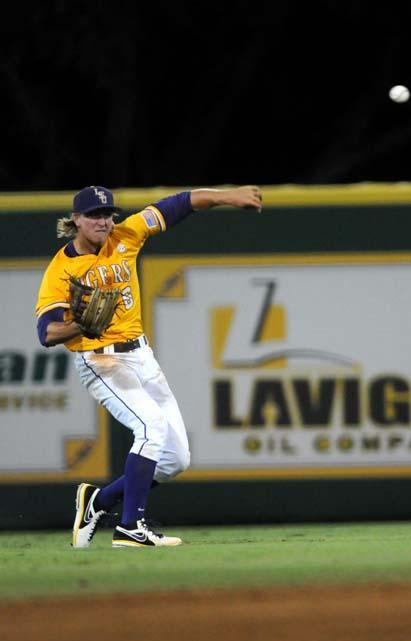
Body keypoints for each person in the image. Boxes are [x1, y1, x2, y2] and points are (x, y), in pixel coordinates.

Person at [35, 184, 263, 548]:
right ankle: (130, 526)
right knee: (151, 427)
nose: (102, 221)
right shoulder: (61, 270)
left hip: (141, 355)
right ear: (75, 220)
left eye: (107, 213)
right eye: (93, 214)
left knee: (175, 459)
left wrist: (228, 196)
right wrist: (81, 325)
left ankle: (100, 501)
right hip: (101, 359)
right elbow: (47, 333)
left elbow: (181, 202)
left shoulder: (128, 235)